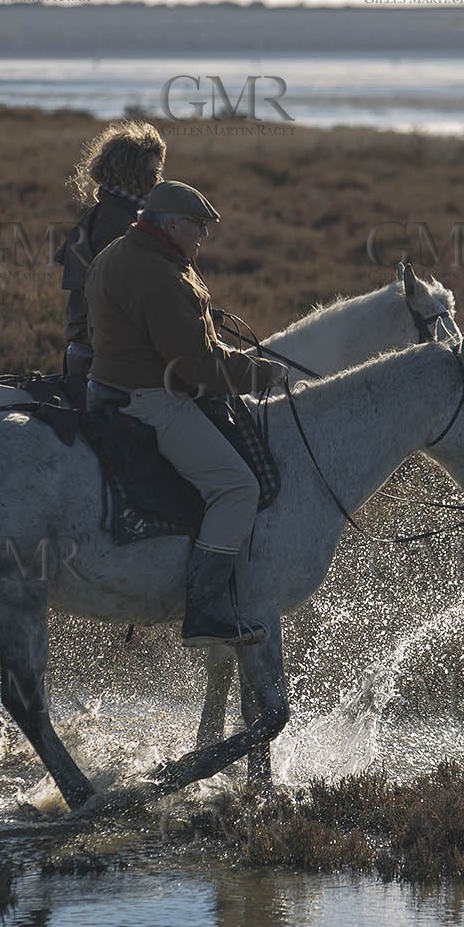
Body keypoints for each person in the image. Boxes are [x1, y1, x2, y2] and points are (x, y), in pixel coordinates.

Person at [83, 181, 288, 647]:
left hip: (107, 386)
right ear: (171, 225)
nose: (204, 235)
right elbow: (194, 367)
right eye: (198, 226)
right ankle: (204, 611)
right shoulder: (161, 276)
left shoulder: (119, 252)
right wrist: (261, 374)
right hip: (151, 398)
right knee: (238, 487)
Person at [53, 121, 167, 410]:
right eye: (152, 172)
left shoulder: (110, 214)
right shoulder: (119, 225)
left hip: (94, 351)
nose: (159, 180)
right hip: (105, 359)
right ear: (131, 173)